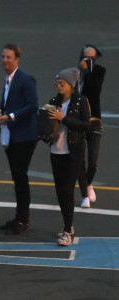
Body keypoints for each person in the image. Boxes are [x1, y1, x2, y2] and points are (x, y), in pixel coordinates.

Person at [0, 43, 39, 234]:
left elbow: (33, 106)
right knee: (17, 177)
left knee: (20, 177)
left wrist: (11, 116)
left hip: (24, 137)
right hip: (12, 136)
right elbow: (6, 105)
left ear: (17, 59)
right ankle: (19, 217)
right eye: (3, 57)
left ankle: (23, 219)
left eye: (8, 57)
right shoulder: (8, 79)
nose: (5, 60)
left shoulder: (26, 79)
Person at [47, 68, 90, 246]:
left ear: (71, 85)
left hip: (73, 152)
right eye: (57, 83)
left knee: (67, 190)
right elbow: (48, 126)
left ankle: (67, 229)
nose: (58, 86)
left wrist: (63, 119)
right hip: (56, 151)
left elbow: (86, 125)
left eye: (62, 83)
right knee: (59, 190)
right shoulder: (53, 101)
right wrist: (46, 133)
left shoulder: (81, 101)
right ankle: (67, 225)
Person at [77, 44, 106, 208]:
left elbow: (93, 90)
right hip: (78, 121)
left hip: (94, 120)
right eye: (84, 57)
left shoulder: (99, 71)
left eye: (90, 58)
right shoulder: (74, 74)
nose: (86, 61)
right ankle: (84, 194)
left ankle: (88, 184)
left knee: (93, 160)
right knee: (79, 160)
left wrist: (87, 71)